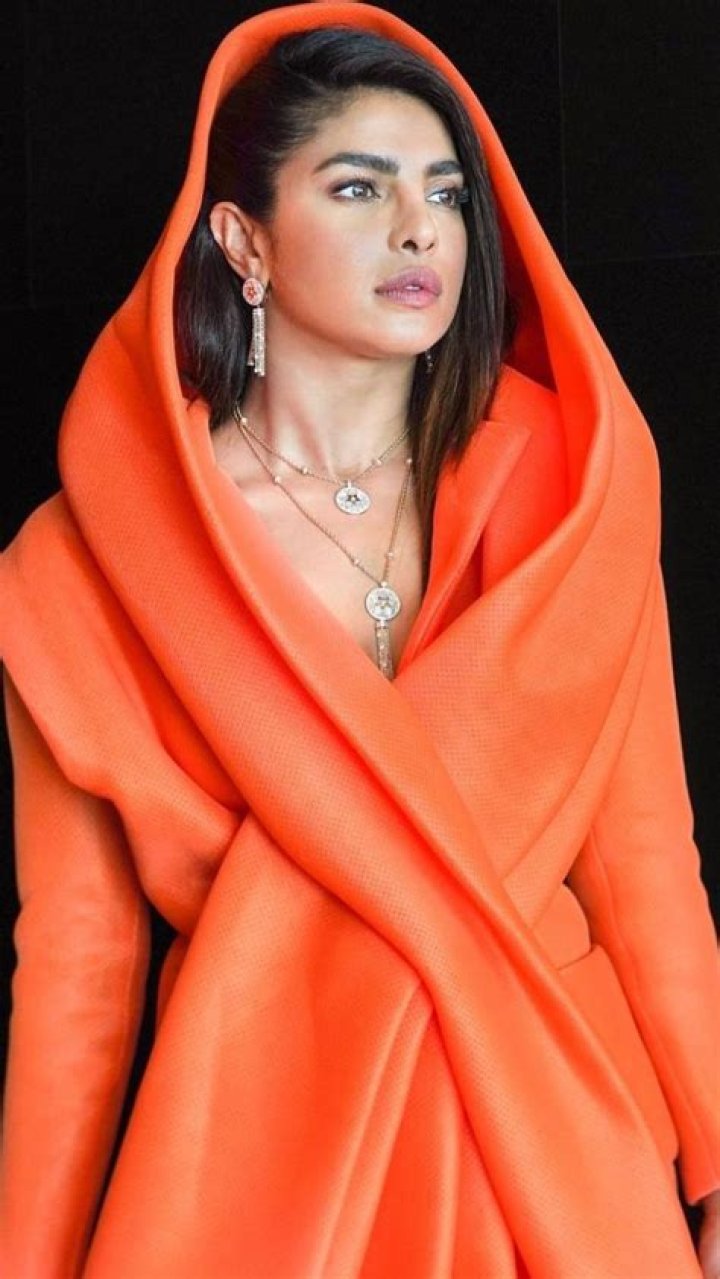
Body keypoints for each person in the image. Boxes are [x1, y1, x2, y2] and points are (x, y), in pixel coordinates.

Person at [0, 1, 718, 1274]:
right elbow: (78, 962)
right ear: (244, 240)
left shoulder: (570, 497)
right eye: (358, 186)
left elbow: (646, 863)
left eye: (445, 193)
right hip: (264, 1175)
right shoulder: (85, 563)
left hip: (558, 1157)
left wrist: (717, 1161)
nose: (418, 228)